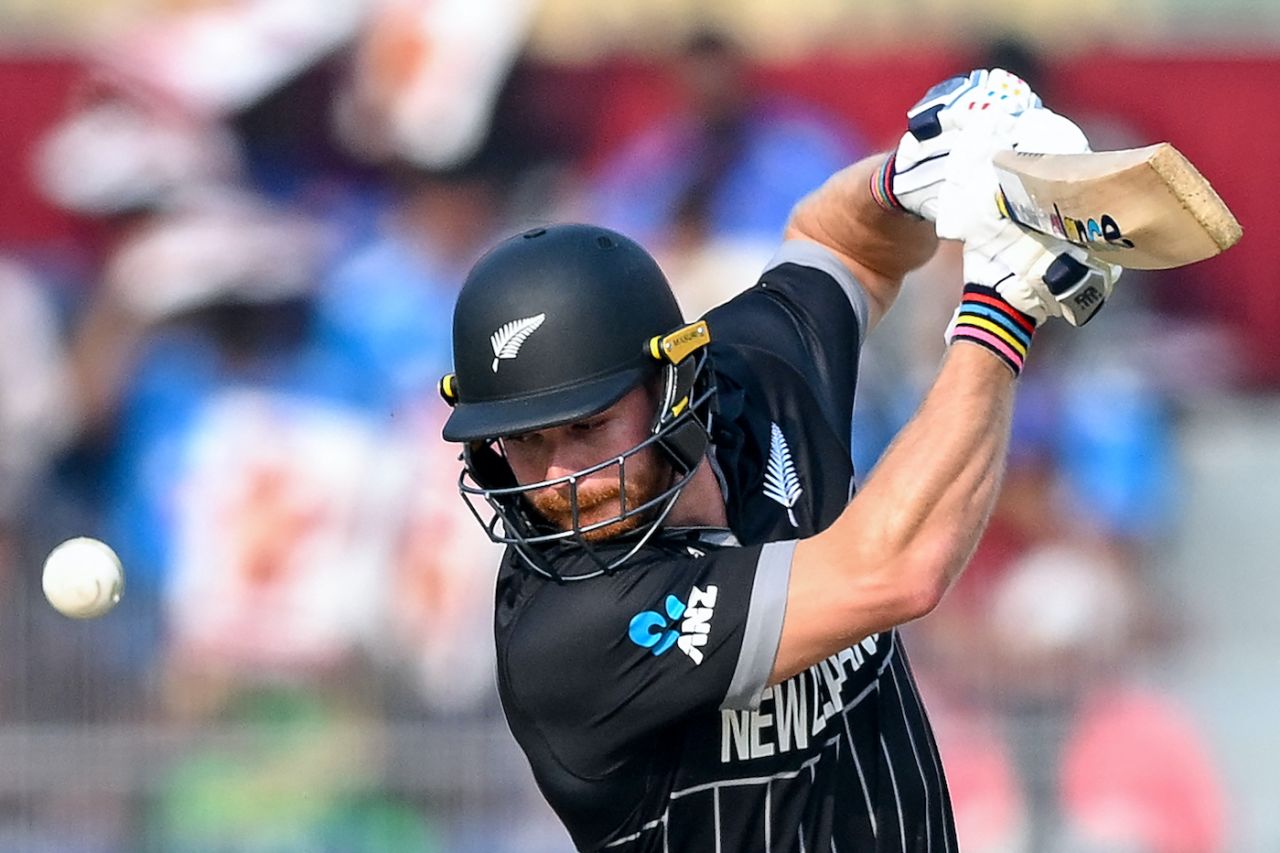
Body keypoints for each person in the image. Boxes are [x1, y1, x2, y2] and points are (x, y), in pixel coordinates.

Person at [437, 69, 1120, 852]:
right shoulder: (567, 628)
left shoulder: (748, 381)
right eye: (526, 442)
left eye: (589, 426)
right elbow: (900, 569)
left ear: (673, 387)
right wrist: (1003, 304)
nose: (559, 478)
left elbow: (834, 244)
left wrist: (911, 177)